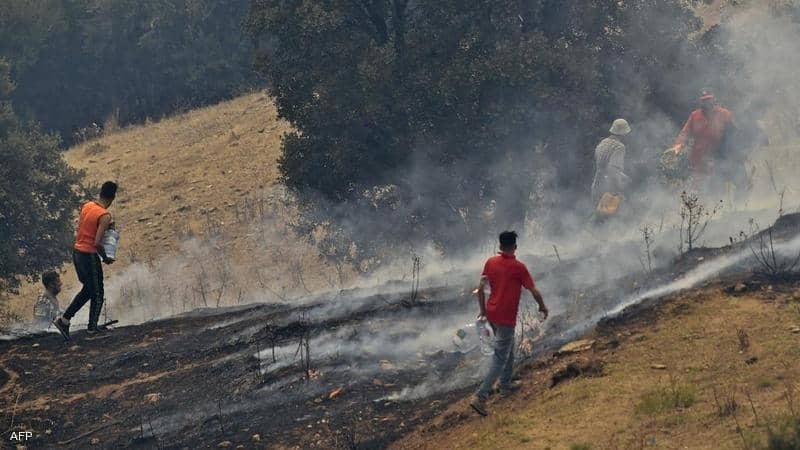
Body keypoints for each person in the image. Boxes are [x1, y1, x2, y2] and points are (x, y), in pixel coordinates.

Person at [470, 231, 548, 416]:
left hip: (492, 313)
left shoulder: (490, 262)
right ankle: (480, 397)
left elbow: (480, 289)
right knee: (499, 357)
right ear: (515, 247)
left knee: (509, 346)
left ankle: (506, 384)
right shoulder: (518, 267)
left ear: (500, 245)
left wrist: (483, 310)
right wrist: (543, 307)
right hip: (505, 317)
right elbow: (534, 291)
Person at [53, 181, 117, 340]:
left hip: (77, 253)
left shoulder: (88, 205)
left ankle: (64, 320)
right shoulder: (105, 215)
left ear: (100, 192)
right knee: (98, 292)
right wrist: (106, 257)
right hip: (89, 255)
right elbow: (96, 242)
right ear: (113, 197)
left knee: (89, 289)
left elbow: (88, 227)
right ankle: (92, 328)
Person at [668, 88, 733, 192]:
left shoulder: (725, 114)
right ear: (701, 101)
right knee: (698, 189)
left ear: (714, 99)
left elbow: (733, 134)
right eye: (704, 100)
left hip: (718, 157)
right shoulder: (695, 115)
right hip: (699, 159)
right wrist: (677, 146)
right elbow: (685, 133)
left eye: (709, 99)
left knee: (717, 187)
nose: (707, 102)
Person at [591, 118, 632, 208]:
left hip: (597, 185)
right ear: (623, 133)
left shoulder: (603, 143)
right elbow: (613, 170)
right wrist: (617, 192)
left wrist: (624, 177)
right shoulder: (619, 147)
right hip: (608, 190)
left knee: (598, 216)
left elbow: (603, 165)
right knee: (612, 219)